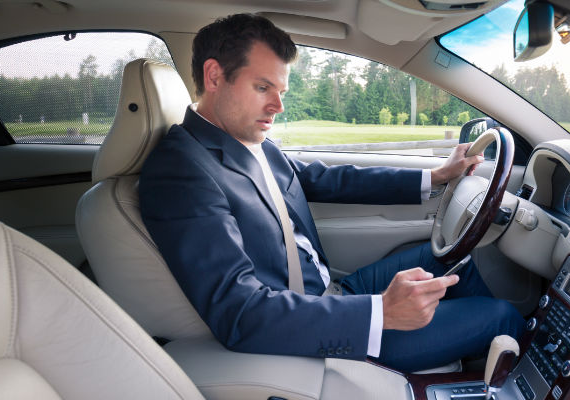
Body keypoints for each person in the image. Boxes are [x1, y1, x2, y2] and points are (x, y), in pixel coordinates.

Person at [138, 14, 524, 373]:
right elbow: (239, 313)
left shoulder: (246, 140)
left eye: (281, 90)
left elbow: (327, 179)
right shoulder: (182, 171)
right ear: (214, 76)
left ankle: (473, 362)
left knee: (458, 258)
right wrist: (381, 314)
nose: (278, 105)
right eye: (263, 87)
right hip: (317, 327)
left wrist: (436, 176)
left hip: (335, 293)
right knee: (503, 315)